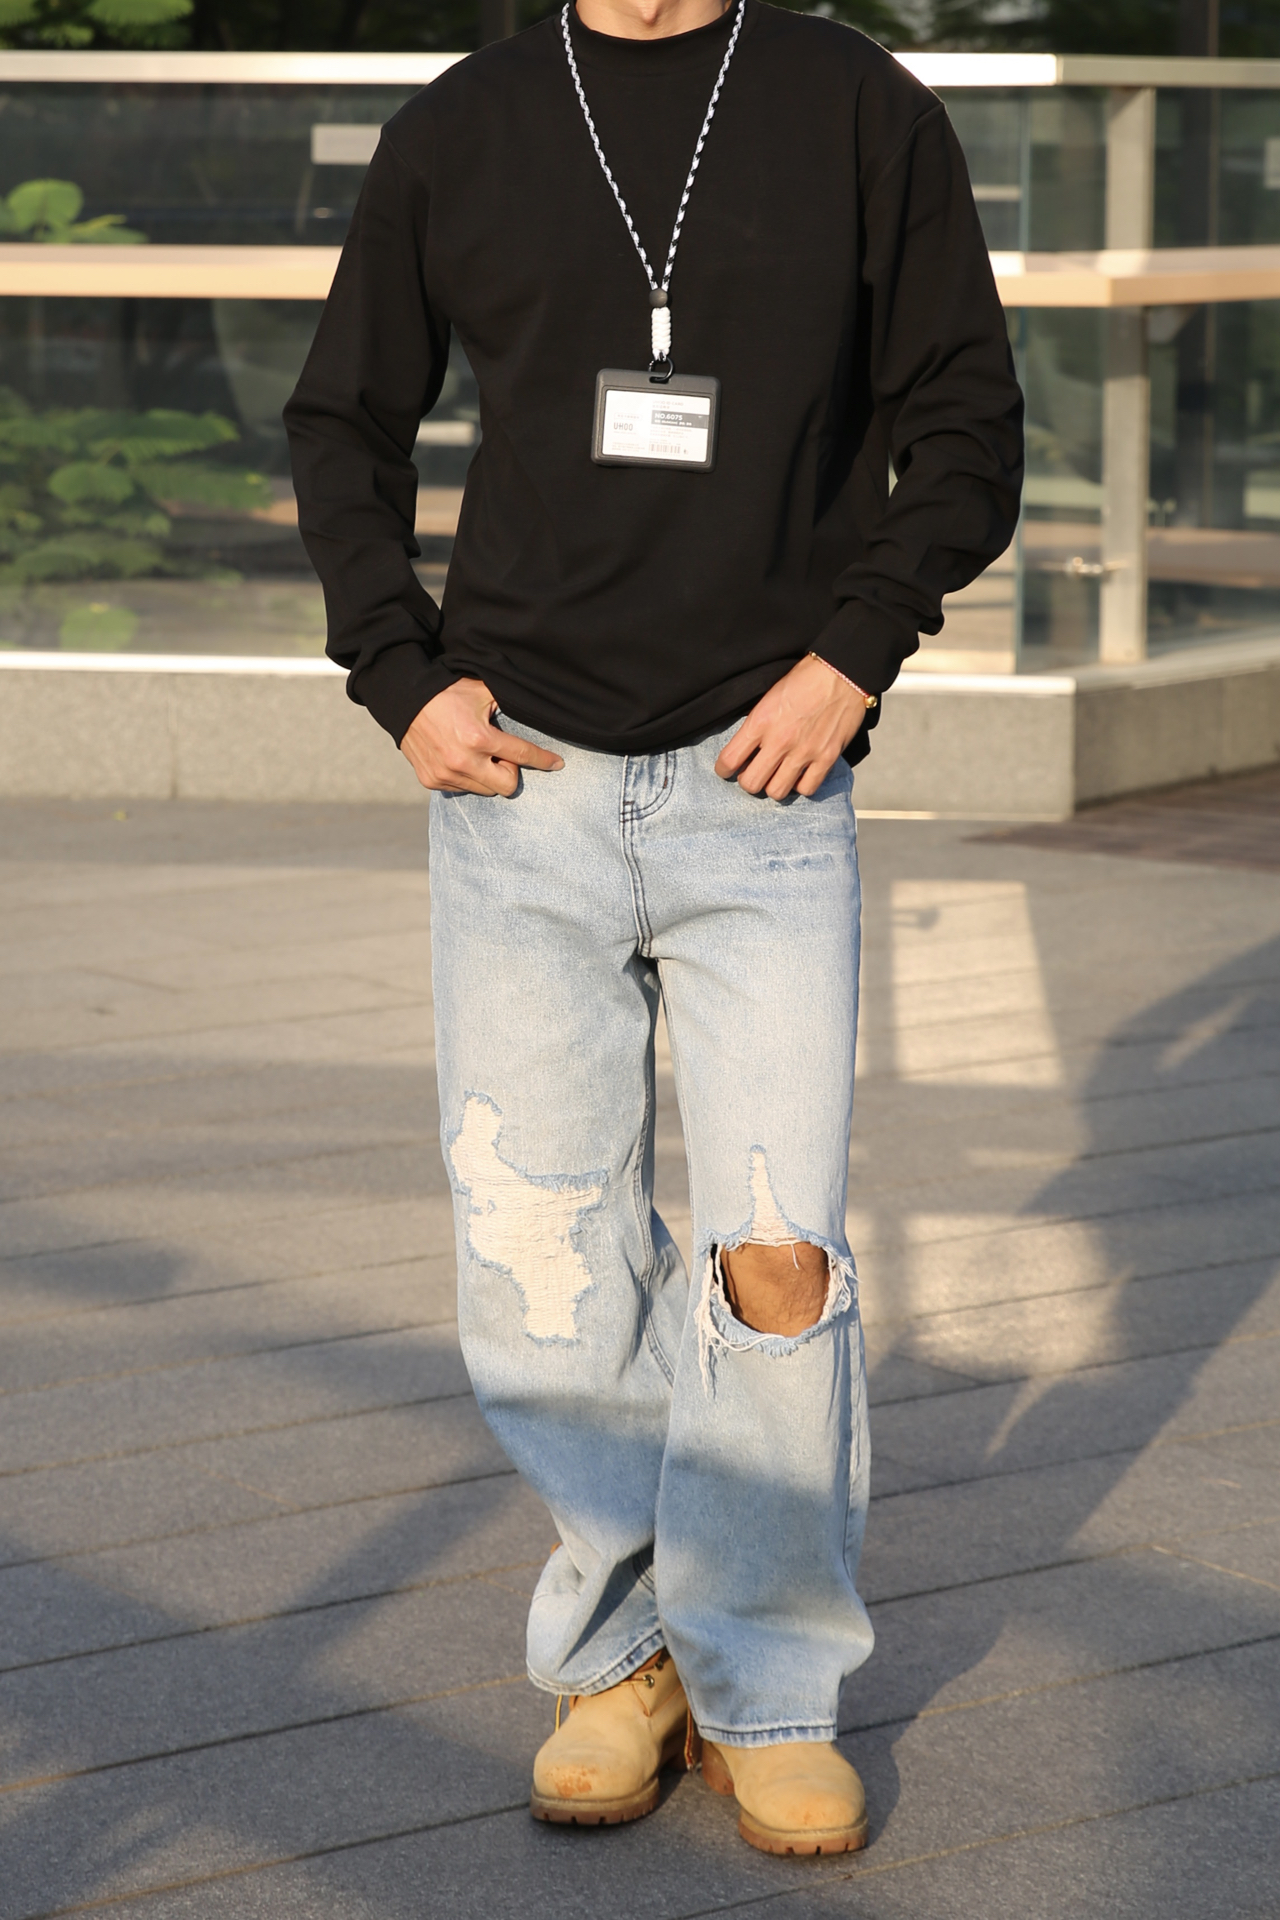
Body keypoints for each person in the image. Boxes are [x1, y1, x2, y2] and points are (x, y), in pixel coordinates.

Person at [285, 0, 1022, 1857]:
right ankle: (624, 1660)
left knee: (776, 1258)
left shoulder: (855, 104)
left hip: (765, 781)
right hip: (517, 784)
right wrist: (398, 675)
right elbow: (342, 418)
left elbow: (968, 423)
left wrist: (854, 657)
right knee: (542, 1249)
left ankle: (766, 1686)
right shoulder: (464, 123)